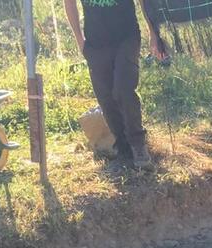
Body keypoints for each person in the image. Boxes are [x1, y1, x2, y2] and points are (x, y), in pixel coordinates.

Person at [64, 0, 159, 170]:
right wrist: (80, 40)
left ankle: (138, 145)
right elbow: (69, 3)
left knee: (124, 90)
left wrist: (153, 32)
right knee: (106, 98)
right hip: (95, 43)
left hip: (126, 37)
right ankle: (123, 149)